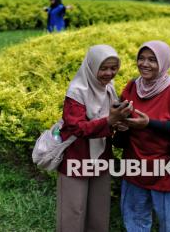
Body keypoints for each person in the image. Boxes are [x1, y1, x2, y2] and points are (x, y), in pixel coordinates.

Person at [114, 40, 170, 232]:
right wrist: (121, 124)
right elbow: (122, 113)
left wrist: (150, 123)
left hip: (169, 169)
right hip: (135, 165)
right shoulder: (132, 86)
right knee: (135, 222)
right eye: (141, 58)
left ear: (163, 63)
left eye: (152, 60)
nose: (145, 64)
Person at [57, 44, 131, 232]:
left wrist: (117, 124)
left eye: (113, 68)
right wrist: (109, 121)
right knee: (74, 209)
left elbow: (110, 119)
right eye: (103, 68)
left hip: (101, 156)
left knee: (99, 208)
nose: (109, 73)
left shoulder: (109, 89)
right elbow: (76, 128)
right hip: (77, 157)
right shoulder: (77, 91)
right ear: (91, 66)